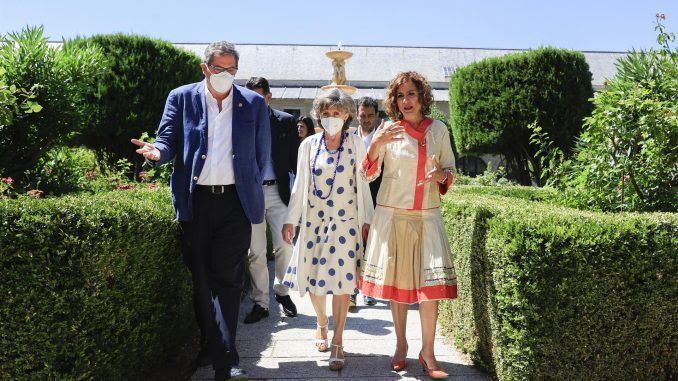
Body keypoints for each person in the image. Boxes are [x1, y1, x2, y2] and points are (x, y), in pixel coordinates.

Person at [131, 41, 270, 381]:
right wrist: (157, 153)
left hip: (235, 205)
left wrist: (250, 189)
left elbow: (261, 155)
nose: (226, 75)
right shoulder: (181, 97)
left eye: (232, 70)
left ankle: (227, 360)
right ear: (205, 68)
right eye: (219, 69)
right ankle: (212, 344)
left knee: (228, 281)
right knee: (201, 281)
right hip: (197, 203)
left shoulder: (252, 103)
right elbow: (167, 140)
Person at [359, 71, 457, 379]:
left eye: (411, 94)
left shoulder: (439, 130)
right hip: (393, 217)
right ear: (394, 100)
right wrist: (375, 144)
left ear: (422, 96)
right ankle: (400, 346)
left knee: (431, 290)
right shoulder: (388, 130)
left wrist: (441, 174)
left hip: (427, 217)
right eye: (400, 96)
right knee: (398, 289)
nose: (406, 101)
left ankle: (428, 352)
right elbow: (367, 174)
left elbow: (450, 171)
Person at [281, 89, 374, 371]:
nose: (331, 118)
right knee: (315, 281)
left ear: (346, 115)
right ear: (319, 116)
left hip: (346, 224)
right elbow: (299, 186)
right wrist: (291, 219)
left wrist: (367, 220)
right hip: (314, 223)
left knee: (344, 284)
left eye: (336, 113)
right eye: (326, 114)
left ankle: (338, 340)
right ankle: (321, 323)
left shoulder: (356, 143)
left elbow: (364, 183)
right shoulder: (308, 145)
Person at [243, 77, 299, 324]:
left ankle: (282, 291)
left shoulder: (285, 121)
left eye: (258, 97)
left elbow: (298, 163)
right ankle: (260, 303)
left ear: (268, 96)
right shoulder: (240, 122)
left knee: (285, 246)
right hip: (252, 193)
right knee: (255, 252)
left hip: (279, 192)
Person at [348, 96, 382, 311]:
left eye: (370, 115)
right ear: (357, 116)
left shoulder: (383, 138)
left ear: (377, 116)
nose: (366, 119)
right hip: (353, 200)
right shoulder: (349, 138)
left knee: (371, 247)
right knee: (352, 245)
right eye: (363, 116)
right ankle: (352, 291)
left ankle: (369, 290)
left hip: (377, 199)